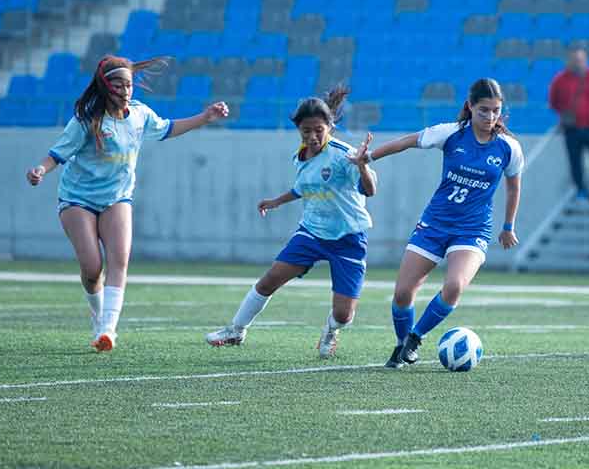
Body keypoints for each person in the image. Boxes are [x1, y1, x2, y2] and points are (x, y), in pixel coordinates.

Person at [26, 55, 229, 352]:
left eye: (129, 84)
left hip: (117, 197)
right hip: (77, 199)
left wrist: (204, 117)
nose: (125, 90)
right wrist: (40, 170)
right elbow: (57, 154)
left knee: (119, 260)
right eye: (119, 84)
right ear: (105, 86)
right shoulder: (87, 121)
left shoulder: (139, 115)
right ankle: (97, 315)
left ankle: (107, 330)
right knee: (93, 268)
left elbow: (168, 128)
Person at [357, 78, 524, 369]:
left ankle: (415, 339)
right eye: (484, 110)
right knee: (402, 293)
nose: (490, 117)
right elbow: (407, 142)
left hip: (472, 230)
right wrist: (368, 157)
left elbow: (513, 187)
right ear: (470, 107)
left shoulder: (509, 148)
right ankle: (401, 346)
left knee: (454, 285)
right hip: (434, 224)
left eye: (496, 111)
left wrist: (508, 226)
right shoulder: (450, 134)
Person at [205, 86, 377, 359]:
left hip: (348, 238)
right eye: (306, 131)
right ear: (298, 130)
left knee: (344, 315)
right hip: (311, 232)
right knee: (270, 279)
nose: (312, 137)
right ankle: (236, 330)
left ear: (329, 126)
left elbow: (369, 191)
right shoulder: (300, 156)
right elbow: (304, 188)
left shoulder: (345, 155)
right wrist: (276, 201)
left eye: (318, 130)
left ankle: (332, 330)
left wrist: (362, 165)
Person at [548, 47, 589, 200]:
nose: (578, 63)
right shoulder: (560, 80)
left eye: (581, 60)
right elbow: (553, 101)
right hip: (572, 129)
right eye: (575, 60)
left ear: (586, 61)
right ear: (569, 61)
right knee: (575, 162)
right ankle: (580, 190)